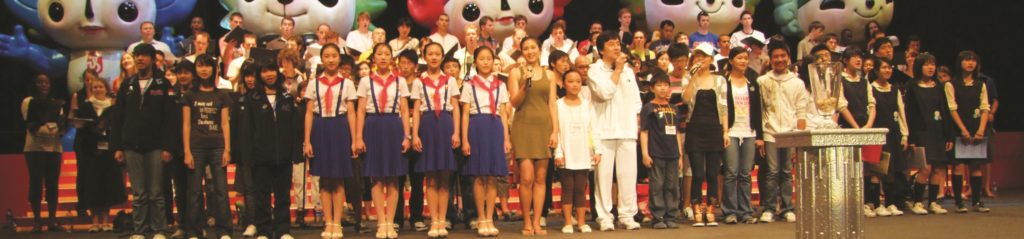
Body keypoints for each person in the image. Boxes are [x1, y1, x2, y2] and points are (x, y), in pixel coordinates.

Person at [110, 43, 177, 239]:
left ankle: (159, 229)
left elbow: (170, 119)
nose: (139, 59)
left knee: (156, 192)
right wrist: (117, 147)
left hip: (156, 146)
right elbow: (118, 118)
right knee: (139, 193)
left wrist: (168, 147)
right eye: (137, 55)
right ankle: (139, 230)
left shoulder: (163, 85)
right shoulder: (127, 85)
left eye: (144, 56)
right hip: (131, 146)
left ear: (152, 59)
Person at [240, 60, 302, 239]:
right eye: (265, 71)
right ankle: (264, 230)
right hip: (261, 156)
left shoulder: (286, 97)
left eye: (272, 70)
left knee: (283, 195)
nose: (269, 75)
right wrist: (248, 156)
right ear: (260, 74)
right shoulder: (253, 98)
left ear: (277, 72)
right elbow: (247, 130)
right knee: (262, 196)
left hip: (283, 154)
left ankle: (283, 230)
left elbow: (293, 127)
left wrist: (295, 152)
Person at [588, 31, 643, 231]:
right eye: (611, 44)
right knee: (603, 177)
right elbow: (604, 93)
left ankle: (627, 215)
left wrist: (635, 122)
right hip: (604, 130)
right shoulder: (594, 70)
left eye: (618, 44)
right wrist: (617, 69)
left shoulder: (628, 71)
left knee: (628, 175)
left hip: (627, 130)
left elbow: (636, 100)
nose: (617, 47)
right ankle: (604, 217)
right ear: (601, 49)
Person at [356, 43, 411, 239]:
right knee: (377, 176)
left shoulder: (400, 81)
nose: (383, 57)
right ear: (373, 58)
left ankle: (390, 221)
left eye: (387, 54)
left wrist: (407, 135)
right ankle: (381, 222)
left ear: (392, 58)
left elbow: (404, 110)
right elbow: (361, 110)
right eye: (379, 54)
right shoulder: (365, 81)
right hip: (373, 125)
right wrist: (358, 137)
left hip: (393, 126)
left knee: (394, 177)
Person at [508, 36, 560, 235]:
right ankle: (527, 222)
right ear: (522, 52)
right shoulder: (516, 72)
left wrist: (555, 131)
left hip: (543, 127)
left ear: (539, 50)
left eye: (533, 48)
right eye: (526, 48)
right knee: (527, 177)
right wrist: (525, 84)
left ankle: (538, 221)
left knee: (541, 178)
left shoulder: (550, 75)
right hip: (523, 127)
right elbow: (514, 103)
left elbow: (552, 105)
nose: (530, 51)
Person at [411, 42, 461, 238]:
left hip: (446, 125)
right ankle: (434, 220)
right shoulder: (418, 82)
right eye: (430, 54)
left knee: (445, 176)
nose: (433, 57)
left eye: (437, 54)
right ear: (424, 56)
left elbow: (456, 107)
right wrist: (415, 135)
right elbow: (416, 109)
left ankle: (443, 219)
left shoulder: (450, 81)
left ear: (442, 57)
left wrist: (456, 132)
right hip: (428, 125)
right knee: (431, 177)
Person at [181, 54, 234, 239]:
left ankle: (224, 230)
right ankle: (194, 231)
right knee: (194, 191)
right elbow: (186, 124)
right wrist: (187, 151)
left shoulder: (222, 95)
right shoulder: (189, 95)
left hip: (217, 146)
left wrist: (227, 149)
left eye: (207, 66)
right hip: (196, 147)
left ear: (214, 69)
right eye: (200, 66)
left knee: (221, 190)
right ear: (196, 69)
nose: (204, 69)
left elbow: (225, 124)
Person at [459, 46, 511, 237]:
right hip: (477, 126)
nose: (486, 62)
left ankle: (490, 217)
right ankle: (481, 217)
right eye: (482, 58)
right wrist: (465, 139)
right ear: (475, 63)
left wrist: (506, 138)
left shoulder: (501, 85)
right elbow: (465, 114)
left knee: (493, 175)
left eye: (489, 58)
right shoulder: (469, 85)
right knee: (479, 175)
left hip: (495, 126)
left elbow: (504, 114)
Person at [757, 40, 808, 223]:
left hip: (790, 132)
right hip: (769, 132)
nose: (779, 59)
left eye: (782, 56)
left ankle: (787, 207)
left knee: (786, 171)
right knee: (771, 171)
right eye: (775, 56)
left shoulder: (797, 83)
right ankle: (769, 207)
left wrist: (799, 137)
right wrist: (761, 136)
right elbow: (759, 110)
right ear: (770, 59)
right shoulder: (762, 81)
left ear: (788, 58)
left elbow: (802, 110)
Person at [71, 72, 127, 233]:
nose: (98, 89)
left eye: (100, 86)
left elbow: (118, 128)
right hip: (90, 152)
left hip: (108, 152)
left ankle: (106, 221)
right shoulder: (86, 106)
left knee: (108, 185)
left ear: (106, 88)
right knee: (92, 186)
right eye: (95, 87)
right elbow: (79, 129)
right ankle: (95, 222)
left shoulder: (113, 107)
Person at [681, 44, 728, 227]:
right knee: (698, 173)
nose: (700, 59)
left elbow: (724, 107)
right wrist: (693, 77)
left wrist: (725, 131)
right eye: (697, 56)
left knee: (712, 172)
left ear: (711, 59)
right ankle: (696, 208)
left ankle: (710, 208)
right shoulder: (689, 78)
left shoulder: (720, 80)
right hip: (695, 129)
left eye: (704, 56)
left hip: (714, 129)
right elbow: (685, 99)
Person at [904, 53, 954, 216]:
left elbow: (945, 111)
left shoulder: (939, 86)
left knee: (938, 168)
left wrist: (949, 136)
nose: (931, 67)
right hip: (921, 132)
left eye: (933, 64)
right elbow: (909, 113)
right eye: (927, 64)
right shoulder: (912, 86)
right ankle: (917, 201)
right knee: (926, 168)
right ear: (920, 66)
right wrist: (910, 137)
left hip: (938, 131)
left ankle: (933, 202)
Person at [945, 51, 992, 213]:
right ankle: (959, 202)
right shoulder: (951, 84)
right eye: (966, 60)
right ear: (960, 63)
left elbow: (985, 107)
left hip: (976, 127)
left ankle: (977, 202)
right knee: (958, 166)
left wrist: (980, 129)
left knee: (976, 165)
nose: (970, 64)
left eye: (973, 61)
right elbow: (952, 109)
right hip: (958, 128)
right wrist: (963, 130)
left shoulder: (981, 84)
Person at [721, 47, 762, 224]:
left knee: (745, 173)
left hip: (749, 131)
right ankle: (729, 211)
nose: (744, 61)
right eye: (739, 58)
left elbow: (758, 110)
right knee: (731, 172)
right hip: (731, 131)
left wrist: (759, 135)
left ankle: (745, 211)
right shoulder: (724, 82)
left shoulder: (752, 82)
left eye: (746, 58)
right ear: (731, 61)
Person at [21, 73, 66, 233]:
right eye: (40, 82)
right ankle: (37, 221)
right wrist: (47, 120)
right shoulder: (28, 101)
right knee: (36, 183)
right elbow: (29, 122)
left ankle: (52, 221)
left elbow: (60, 123)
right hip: (35, 148)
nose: (44, 85)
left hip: (54, 148)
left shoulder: (56, 103)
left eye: (46, 82)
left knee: (52, 184)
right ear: (34, 84)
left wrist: (60, 127)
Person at [553, 70, 597, 234]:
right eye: (571, 81)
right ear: (564, 84)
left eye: (578, 81)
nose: (575, 84)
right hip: (566, 152)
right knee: (567, 188)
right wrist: (558, 152)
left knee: (581, 188)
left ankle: (581, 222)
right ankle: (567, 222)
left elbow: (593, 129)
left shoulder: (587, 105)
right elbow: (555, 131)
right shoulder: (558, 105)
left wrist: (596, 150)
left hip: (583, 152)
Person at [639, 72, 683, 229]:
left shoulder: (674, 109)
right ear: (652, 88)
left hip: (672, 153)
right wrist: (645, 153)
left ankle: (671, 215)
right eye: (659, 85)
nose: (663, 88)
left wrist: (680, 156)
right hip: (656, 152)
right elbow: (644, 132)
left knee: (672, 186)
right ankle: (657, 217)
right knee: (657, 185)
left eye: (665, 85)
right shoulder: (648, 108)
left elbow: (677, 132)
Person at [393, 50, 427, 232]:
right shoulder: (395, 83)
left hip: (418, 133)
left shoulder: (420, 84)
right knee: (397, 178)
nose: (404, 66)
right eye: (402, 62)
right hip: (398, 132)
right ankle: (397, 218)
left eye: (408, 63)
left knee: (417, 178)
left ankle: (416, 217)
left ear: (415, 65)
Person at [869, 58, 908, 216]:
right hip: (877, 134)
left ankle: (891, 203)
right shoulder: (871, 88)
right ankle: (877, 204)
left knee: (892, 169)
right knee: (877, 170)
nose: (887, 70)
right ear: (877, 71)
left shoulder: (894, 90)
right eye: (884, 68)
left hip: (893, 134)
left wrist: (904, 135)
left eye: (889, 68)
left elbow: (901, 113)